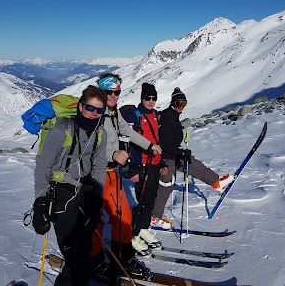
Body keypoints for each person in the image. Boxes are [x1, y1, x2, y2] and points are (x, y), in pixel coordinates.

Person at [32, 85, 108, 286]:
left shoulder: (100, 134)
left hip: (85, 196)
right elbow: (43, 166)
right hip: (61, 197)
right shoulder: (61, 130)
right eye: (90, 108)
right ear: (80, 107)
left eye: (99, 110)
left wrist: (97, 200)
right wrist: (40, 202)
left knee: (82, 253)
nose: (94, 114)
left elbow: (99, 167)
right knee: (77, 258)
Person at [91, 73, 162, 283]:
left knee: (123, 218)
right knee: (98, 221)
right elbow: (87, 146)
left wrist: (149, 145)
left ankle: (123, 258)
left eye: (117, 92)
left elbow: (127, 133)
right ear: (101, 92)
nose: (113, 96)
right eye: (109, 92)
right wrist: (112, 154)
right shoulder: (93, 113)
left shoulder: (113, 113)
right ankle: (93, 262)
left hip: (113, 174)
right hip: (96, 175)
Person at [151, 87, 234, 228]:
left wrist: (181, 152)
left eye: (184, 103)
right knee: (166, 187)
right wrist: (178, 153)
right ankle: (154, 217)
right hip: (165, 158)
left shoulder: (174, 117)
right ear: (173, 103)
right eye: (179, 103)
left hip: (175, 155)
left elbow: (172, 141)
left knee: (194, 164)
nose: (181, 107)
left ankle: (217, 183)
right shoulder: (166, 117)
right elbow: (164, 143)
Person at [124, 83, 167, 249]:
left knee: (150, 199)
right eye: (147, 98)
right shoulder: (134, 116)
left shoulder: (156, 115)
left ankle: (143, 228)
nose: (151, 101)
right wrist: (133, 168)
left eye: (153, 98)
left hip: (154, 164)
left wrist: (161, 161)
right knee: (142, 200)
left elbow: (157, 140)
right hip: (141, 165)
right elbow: (129, 143)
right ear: (142, 98)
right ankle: (133, 234)